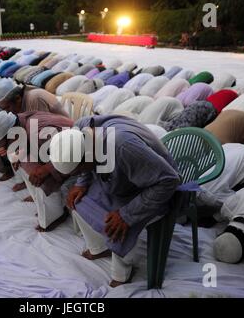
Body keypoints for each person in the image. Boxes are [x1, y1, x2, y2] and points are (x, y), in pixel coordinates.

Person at [49, 115, 180, 287]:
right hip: (124, 179)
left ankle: (123, 272)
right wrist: (82, 182)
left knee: (113, 222)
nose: (79, 174)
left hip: (154, 187)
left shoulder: (122, 146)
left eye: (78, 170)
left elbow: (169, 180)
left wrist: (127, 214)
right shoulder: (81, 130)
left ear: (86, 156)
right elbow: (85, 170)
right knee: (76, 198)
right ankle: (99, 248)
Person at [0, 110, 74, 231]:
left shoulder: (35, 131)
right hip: (57, 150)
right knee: (22, 161)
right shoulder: (21, 120)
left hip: (77, 154)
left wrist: (47, 169)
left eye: (4, 142)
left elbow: (70, 151)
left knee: (38, 175)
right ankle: (43, 203)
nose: (1, 146)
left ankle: (54, 215)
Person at [0, 84, 69, 117]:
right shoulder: (25, 99)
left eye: (7, 107)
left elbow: (43, 127)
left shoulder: (34, 99)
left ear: (18, 99)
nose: (8, 112)